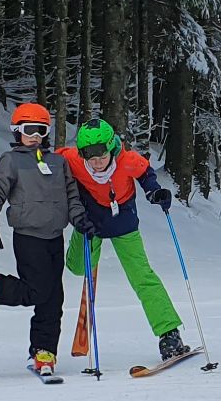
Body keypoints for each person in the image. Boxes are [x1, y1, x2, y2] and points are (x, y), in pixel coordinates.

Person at [0, 103, 96, 378]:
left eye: (41, 130)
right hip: (28, 236)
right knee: (36, 291)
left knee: (53, 296)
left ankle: (43, 350)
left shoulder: (58, 163)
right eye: (29, 130)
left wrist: (80, 218)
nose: (35, 135)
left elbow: (71, 197)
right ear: (17, 131)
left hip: (54, 237)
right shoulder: (12, 160)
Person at [59, 118, 191, 362]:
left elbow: (146, 175)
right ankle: (87, 252)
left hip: (124, 224)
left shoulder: (127, 160)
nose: (97, 164)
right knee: (77, 268)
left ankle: (169, 334)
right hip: (90, 224)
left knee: (142, 277)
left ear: (112, 148)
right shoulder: (72, 159)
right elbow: (47, 160)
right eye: (91, 159)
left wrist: (155, 192)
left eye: (102, 156)